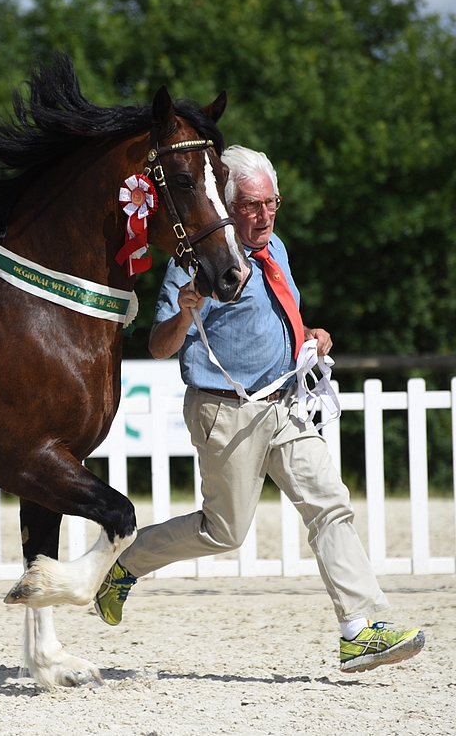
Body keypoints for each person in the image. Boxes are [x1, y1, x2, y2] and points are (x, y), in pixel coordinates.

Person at [94, 145, 424, 674]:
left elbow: (284, 315)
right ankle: (126, 564)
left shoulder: (278, 249)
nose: (264, 214)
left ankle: (359, 629)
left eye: (271, 203)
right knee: (223, 531)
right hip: (226, 412)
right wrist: (183, 315)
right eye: (251, 205)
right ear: (227, 203)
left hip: (286, 402)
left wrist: (312, 335)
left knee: (329, 502)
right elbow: (158, 345)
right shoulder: (195, 261)